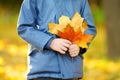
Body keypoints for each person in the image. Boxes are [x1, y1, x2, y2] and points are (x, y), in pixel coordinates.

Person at [17, 0, 97, 80]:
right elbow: (24, 27)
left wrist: (78, 45)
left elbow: (89, 28)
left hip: (71, 69)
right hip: (43, 68)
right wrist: (49, 42)